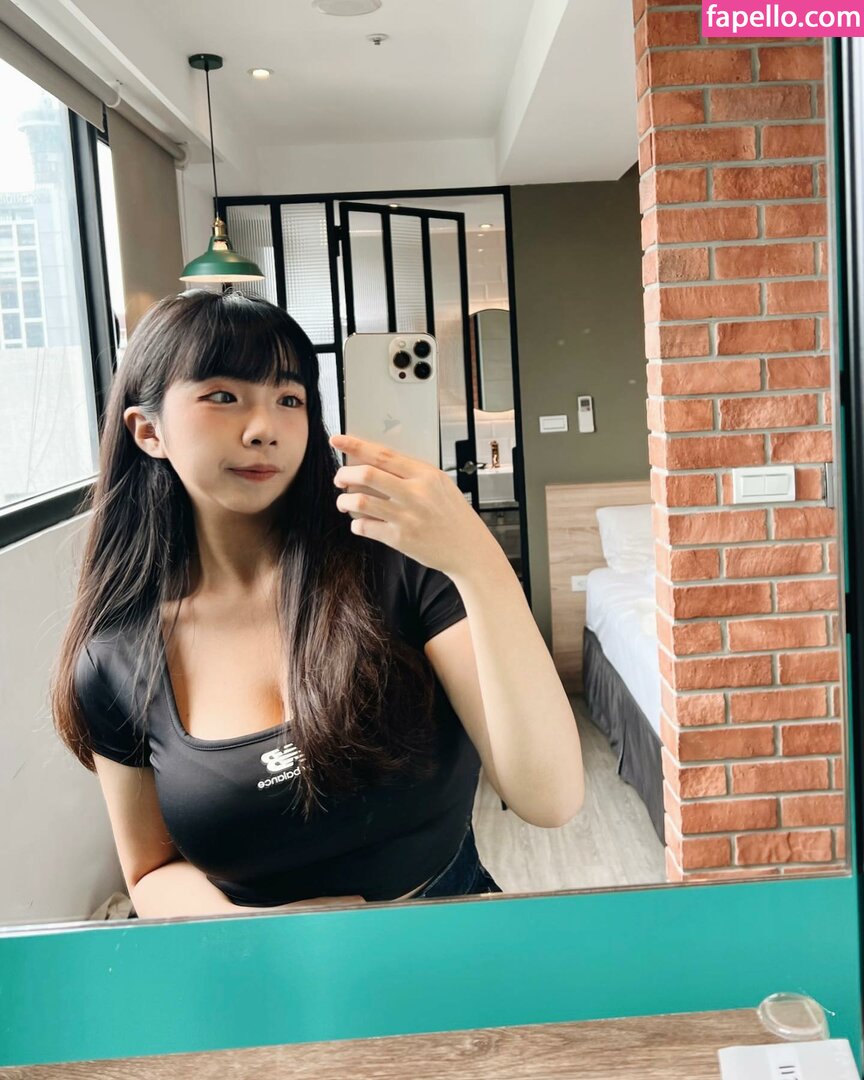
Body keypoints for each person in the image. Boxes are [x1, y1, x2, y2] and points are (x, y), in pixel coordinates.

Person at [51, 290, 583, 918]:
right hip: (256, 965)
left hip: (454, 936)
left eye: (289, 399)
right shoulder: (116, 658)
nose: (263, 429)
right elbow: (150, 869)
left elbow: (550, 799)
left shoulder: (400, 568)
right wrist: (264, 930)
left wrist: (478, 560)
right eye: (223, 396)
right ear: (148, 431)